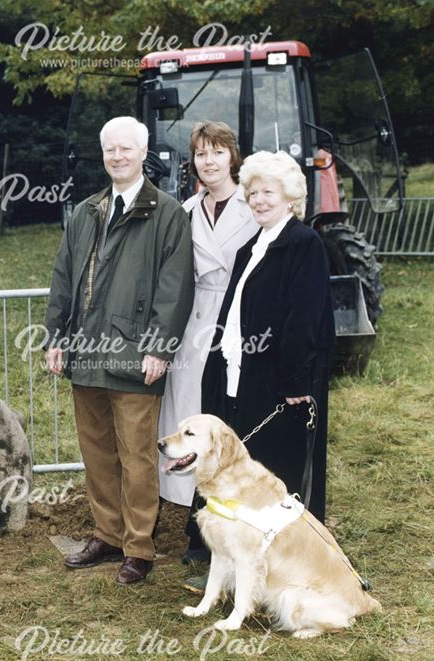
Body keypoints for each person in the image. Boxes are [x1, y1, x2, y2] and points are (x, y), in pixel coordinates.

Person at [44, 116, 194, 584]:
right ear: (102, 153)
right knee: (97, 454)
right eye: (110, 149)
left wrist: (158, 348)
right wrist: (55, 336)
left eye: (126, 149)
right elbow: (64, 278)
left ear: (143, 152)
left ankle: (139, 546)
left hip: (135, 358)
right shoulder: (87, 211)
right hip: (87, 354)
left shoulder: (167, 213)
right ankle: (107, 535)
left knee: (137, 456)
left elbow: (175, 287)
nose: (117, 156)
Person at [201, 150, 334, 524]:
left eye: (268, 193)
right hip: (243, 375)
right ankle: (244, 546)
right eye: (253, 193)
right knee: (248, 466)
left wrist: (294, 380)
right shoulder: (250, 248)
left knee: (277, 469)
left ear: (291, 198)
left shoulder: (304, 243)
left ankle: (281, 552)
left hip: (280, 382)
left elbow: (305, 318)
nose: (258, 200)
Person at [156, 122, 260, 563]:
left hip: (238, 320)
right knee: (189, 419)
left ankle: (236, 509)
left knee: (229, 417)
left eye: (217, 152)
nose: (209, 161)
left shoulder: (254, 206)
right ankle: (195, 517)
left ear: (232, 158)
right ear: (193, 162)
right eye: (200, 154)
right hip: (196, 324)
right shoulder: (185, 210)